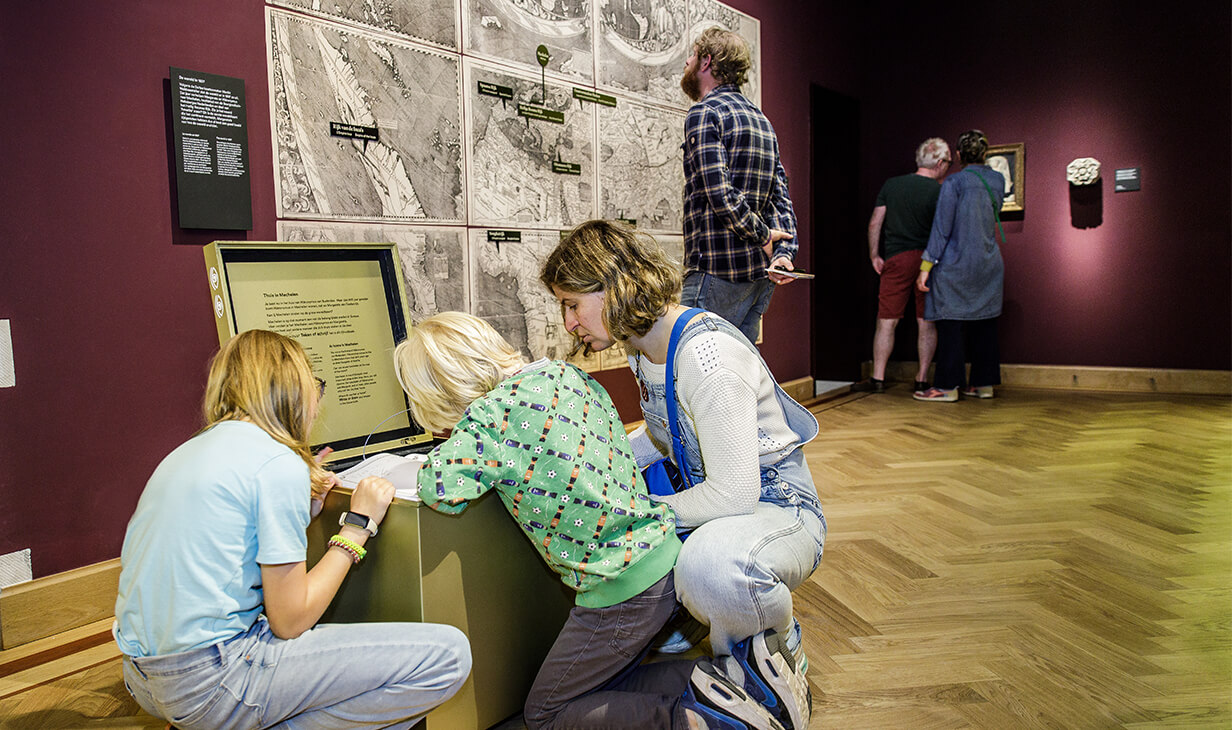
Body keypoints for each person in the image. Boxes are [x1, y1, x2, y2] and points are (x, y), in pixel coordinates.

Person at [393, 312, 789, 730]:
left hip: (621, 590)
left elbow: (438, 488)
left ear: (442, 389)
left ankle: (695, 720)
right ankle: (740, 683)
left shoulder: (488, 422)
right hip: (664, 557)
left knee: (545, 714)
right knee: (611, 680)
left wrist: (450, 435)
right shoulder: (564, 374)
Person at [542, 221, 825, 730]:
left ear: (612, 288)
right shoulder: (641, 342)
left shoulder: (706, 357)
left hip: (779, 508)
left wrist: (630, 511)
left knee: (709, 568)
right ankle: (713, 638)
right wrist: (586, 463)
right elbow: (660, 435)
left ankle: (776, 650)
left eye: (571, 304)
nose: (569, 323)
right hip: (725, 500)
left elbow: (734, 493)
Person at [114, 329, 471, 729]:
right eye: (315, 386)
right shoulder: (277, 465)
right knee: (448, 657)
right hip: (210, 681)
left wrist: (305, 514)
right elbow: (291, 621)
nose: (317, 403)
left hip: (141, 677)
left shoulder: (187, 451)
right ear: (296, 389)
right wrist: (358, 524)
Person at [680, 27, 800, 342]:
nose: (686, 64)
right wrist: (783, 253)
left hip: (715, 274)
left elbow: (720, 194)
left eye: (691, 56)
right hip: (758, 279)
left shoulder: (704, 113)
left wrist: (763, 236)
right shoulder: (763, 122)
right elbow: (781, 198)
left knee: (694, 370)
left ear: (706, 62)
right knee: (741, 373)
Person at [852, 137, 952, 394]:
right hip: (929, 263)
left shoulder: (892, 185)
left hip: (896, 259)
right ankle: (921, 378)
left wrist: (874, 254)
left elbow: (875, 222)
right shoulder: (941, 191)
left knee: (886, 320)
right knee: (926, 322)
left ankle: (878, 378)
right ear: (939, 163)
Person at [914, 130, 1006, 402]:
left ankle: (947, 387)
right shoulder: (997, 179)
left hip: (956, 265)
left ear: (958, 155)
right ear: (985, 153)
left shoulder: (954, 182)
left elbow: (942, 229)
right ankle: (983, 384)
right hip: (989, 262)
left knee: (951, 327)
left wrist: (925, 267)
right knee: (985, 325)